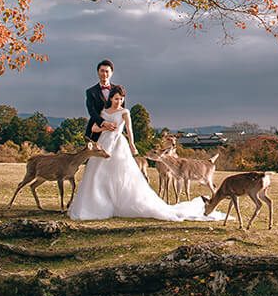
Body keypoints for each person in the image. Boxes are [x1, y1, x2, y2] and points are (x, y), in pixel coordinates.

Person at [68, 86, 224, 221]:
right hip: (104, 142)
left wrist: (132, 144)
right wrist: (105, 126)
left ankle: (119, 203)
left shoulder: (125, 112)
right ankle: (97, 205)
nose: (119, 101)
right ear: (111, 98)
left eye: (121, 99)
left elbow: (129, 130)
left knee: (121, 174)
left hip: (118, 144)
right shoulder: (104, 111)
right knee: (97, 174)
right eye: (116, 99)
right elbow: (94, 128)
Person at [85, 59, 121, 141]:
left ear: (111, 73)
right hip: (95, 130)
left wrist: (114, 125)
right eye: (102, 71)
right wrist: (104, 123)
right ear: (98, 72)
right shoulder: (90, 92)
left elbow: (121, 109)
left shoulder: (118, 90)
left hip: (114, 129)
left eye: (107, 71)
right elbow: (91, 111)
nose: (104, 74)